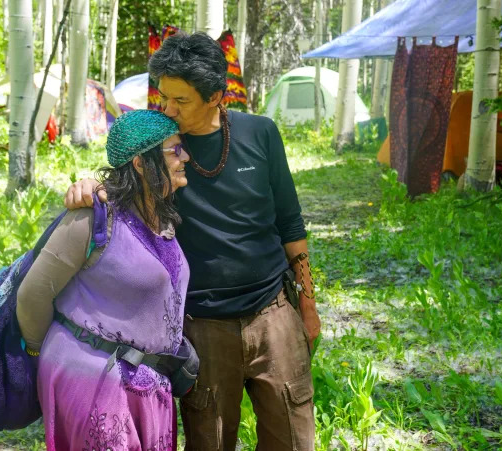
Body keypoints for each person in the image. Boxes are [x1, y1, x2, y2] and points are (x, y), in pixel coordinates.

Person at [65, 32, 321, 450]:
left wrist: (307, 306)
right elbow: (122, 181)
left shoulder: (261, 134)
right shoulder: (162, 147)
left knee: (293, 437)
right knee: (210, 441)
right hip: (201, 327)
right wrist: (89, 186)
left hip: (274, 316)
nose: (167, 109)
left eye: (180, 101)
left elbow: (291, 227)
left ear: (216, 96)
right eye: (163, 97)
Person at [17, 109, 191, 450]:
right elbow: (33, 294)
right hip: (94, 381)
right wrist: (36, 354)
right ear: (141, 164)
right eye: (174, 151)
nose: (185, 157)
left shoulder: (162, 213)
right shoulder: (94, 217)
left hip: (146, 383)